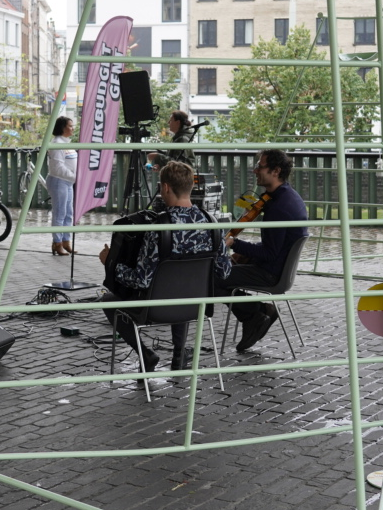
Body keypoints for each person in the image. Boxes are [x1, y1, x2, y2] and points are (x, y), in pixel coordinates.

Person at [98, 161, 232, 372]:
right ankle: (179, 353)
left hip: (156, 309)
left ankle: (146, 354)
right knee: (185, 285)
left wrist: (111, 265)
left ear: (166, 187)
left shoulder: (160, 228)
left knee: (107, 300)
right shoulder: (212, 224)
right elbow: (224, 272)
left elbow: (142, 279)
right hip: (196, 307)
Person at [220, 149, 308, 352]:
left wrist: (234, 243)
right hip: (279, 267)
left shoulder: (278, 207)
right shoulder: (286, 196)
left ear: (275, 171)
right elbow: (277, 246)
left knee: (214, 275)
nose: (255, 170)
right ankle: (257, 312)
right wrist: (247, 253)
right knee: (223, 269)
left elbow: (270, 253)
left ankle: (255, 313)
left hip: (271, 273)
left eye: (260, 166)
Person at [47, 116, 77, 255]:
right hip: (59, 181)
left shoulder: (66, 143)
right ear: (62, 128)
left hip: (68, 182)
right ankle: (57, 243)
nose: (72, 128)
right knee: (59, 213)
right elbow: (57, 167)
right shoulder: (57, 143)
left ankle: (66, 241)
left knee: (69, 214)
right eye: (70, 126)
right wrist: (74, 176)